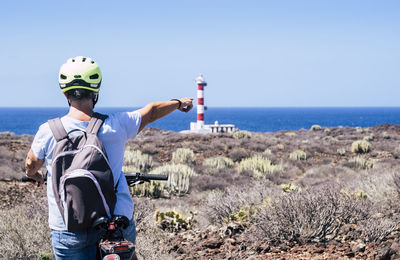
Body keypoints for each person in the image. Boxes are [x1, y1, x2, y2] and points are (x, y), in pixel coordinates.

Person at [25, 56, 193, 260]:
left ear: (64, 92)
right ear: (96, 91)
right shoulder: (117, 125)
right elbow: (151, 112)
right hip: (116, 222)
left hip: (67, 227)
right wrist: (178, 103)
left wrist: (34, 175)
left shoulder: (48, 131)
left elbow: (31, 163)